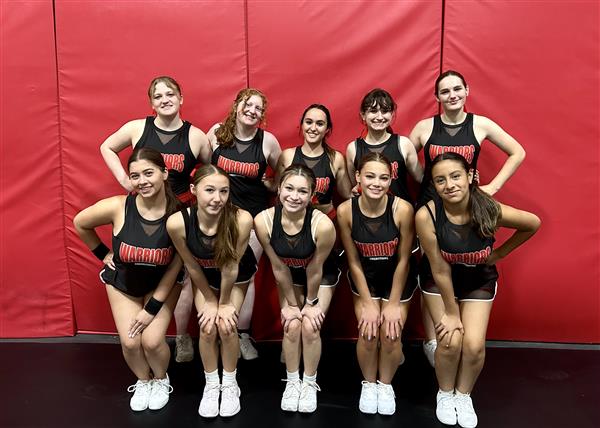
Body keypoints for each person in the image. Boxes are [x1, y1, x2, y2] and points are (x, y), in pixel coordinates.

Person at [409, 70, 526, 367]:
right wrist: (424, 181)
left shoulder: (481, 124)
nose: (452, 95)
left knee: (465, 267)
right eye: (445, 91)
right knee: (433, 271)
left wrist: (491, 188)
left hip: (466, 206)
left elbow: (517, 152)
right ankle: (432, 339)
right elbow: (403, 158)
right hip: (432, 208)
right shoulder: (424, 127)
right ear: (437, 97)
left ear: (466, 91)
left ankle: (463, 326)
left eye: (457, 89)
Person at [415, 152, 540, 427]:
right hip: (440, 281)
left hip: (477, 280)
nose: (449, 184)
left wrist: (501, 254)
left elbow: (532, 223)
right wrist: (451, 312)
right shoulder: (427, 215)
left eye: (456, 176)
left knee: (473, 346)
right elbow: (438, 267)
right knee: (450, 340)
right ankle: (445, 394)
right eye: (440, 180)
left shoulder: (488, 208)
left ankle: (463, 395)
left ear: (470, 176)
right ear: (434, 185)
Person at [100, 76, 212, 363]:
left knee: (181, 278)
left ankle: (183, 335)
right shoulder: (138, 128)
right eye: (158, 96)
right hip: (143, 211)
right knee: (144, 269)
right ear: (151, 103)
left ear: (181, 97)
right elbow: (106, 147)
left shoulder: (196, 136)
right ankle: (151, 334)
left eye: (170, 94)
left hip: (176, 217)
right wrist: (124, 180)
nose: (165, 99)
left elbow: (207, 174)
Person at [73, 147, 183, 411]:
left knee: (153, 341)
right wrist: (102, 252)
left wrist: (151, 309)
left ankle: (160, 378)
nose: (142, 181)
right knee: (131, 342)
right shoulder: (118, 206)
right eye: (135, 176)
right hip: (125, 284)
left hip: (162, 284)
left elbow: (177, 265)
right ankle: (143, 380)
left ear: (164, 173)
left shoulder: (179, 213)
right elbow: (80, 222)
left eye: (148, 173)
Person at [166, 165, 256, 418]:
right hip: (203, 277)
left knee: (226, 325)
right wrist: (208, 299)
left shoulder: (241, 219)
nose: (217, 198)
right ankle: (211, 383)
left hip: (234, 278)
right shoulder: (177, 222)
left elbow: (230, 267)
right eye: (210, 190)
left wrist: (224, 303)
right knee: (207, 328)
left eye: (224, 191)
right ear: (194, 191)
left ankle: (229, 382)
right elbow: (192, 266)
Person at [337, 153, 415, 415]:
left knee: (391, 334)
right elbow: (353, 261)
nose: (376, 183)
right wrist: (369, 304)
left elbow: (404, 260)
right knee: (369, 332)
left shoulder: (402, 209)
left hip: (396, 278)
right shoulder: (346, 211)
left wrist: (392, 304)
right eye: (369, 176)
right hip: (366, 278)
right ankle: (369, 384)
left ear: (391, 179)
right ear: (357, 177)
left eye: (383, 177)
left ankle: (385, 384)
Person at [254, 165, 337, 413]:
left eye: (302, 191)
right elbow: (278, 268)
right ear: (279, 189)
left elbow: (315, 269)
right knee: (291, 325)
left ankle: (309, 383)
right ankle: (292, 382)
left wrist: (311, 304)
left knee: (310, 326)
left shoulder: (322, 225)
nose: (294, 196)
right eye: (289, 188)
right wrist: (291, 305)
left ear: (312, 194)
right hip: (289, 274)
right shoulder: (263, 220)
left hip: (319, 276)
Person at [208, 88, 282, 360]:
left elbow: (282, 175)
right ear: (236, 105)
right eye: (247, 104)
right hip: (216, 216)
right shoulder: (216, 133)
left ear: (262, 115)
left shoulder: (268, 141)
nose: (252, 110)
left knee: (244, 276)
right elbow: (206, 172)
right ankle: (215, 330)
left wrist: (272, 183)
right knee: (213, 273)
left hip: (251, 219)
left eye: (259, 108)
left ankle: (241, 334)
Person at [346, 88, 423, 202]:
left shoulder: (403, 144)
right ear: (363, 115)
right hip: (368, 214)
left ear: (392, 115)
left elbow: (421, 179)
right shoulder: (353, 148)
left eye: (385, 111)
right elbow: (356, 184)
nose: (380, 116)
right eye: (373, 111)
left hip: (400, 213)